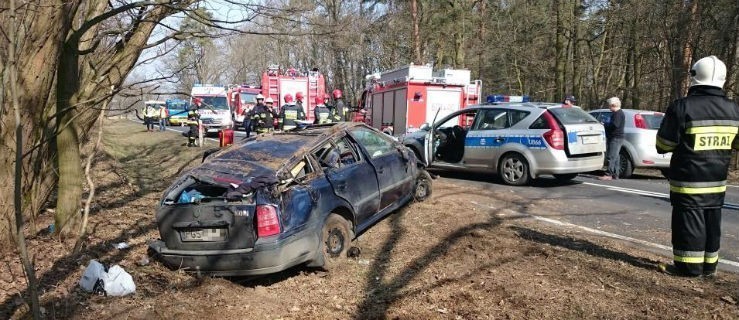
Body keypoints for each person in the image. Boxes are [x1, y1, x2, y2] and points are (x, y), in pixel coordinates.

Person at [656, 55, 739, 277]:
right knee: (712, 222)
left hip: (688, 180)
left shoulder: (682, 107)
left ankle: (688, 268)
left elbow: (664, 144)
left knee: (689, 223)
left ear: (694, 76)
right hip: (718, 181)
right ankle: (709, 267)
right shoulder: (734, 109)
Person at [599, 97, 625, 181]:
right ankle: (615, 174)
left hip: (616, 137)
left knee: (611, 156)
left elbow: (615, 125)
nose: (609, 107)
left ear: (613, 105)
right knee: (616, 157)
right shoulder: (619, 113)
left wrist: (605, 124)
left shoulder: (618, 114)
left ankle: (609, 174)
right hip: (617, 137)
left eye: (609, 106)